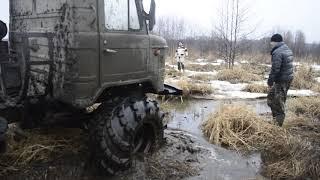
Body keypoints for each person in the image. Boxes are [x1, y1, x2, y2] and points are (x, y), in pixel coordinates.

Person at [267, 34, 294, 127]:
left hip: (282, 80)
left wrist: (270, 81)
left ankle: (277, 126)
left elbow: (275, 69)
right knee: (270, 98)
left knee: (278, 102)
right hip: (286, 79)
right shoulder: (286, 48)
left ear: (275, 41)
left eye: (271, 42)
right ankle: (276, 119)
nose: (271, 44)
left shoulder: (278, 52)